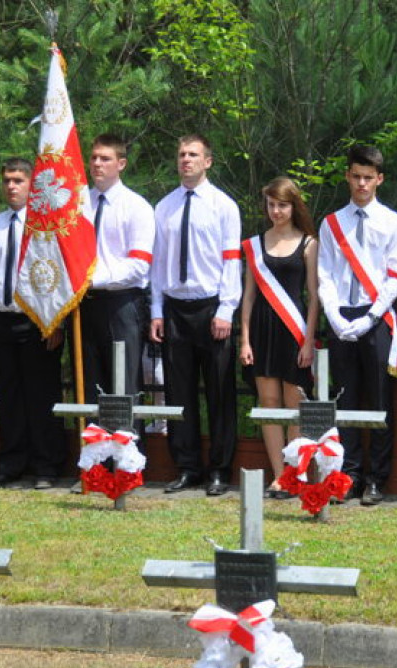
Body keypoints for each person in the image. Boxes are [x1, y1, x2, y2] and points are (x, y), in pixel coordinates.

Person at [317, 145, 397, 505]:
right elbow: (324, 273)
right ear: (347, 176)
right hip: (341, 315)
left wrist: (372, 317)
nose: (361, 183)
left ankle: (376, 478)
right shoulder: (331, 223)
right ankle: (350, 474)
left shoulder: (393, 222)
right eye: (356, 176)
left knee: (380, 399)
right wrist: (334, 316)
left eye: (368, 178)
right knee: (345, 397)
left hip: (377, 316)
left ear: (379, 179)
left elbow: (396, 277)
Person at [150, 134, 241, 496]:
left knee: (219, 392)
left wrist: (226, 309)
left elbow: (232, 261)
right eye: (181, 154)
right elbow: (157, 264)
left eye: (193, 155)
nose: (185, 160)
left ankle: (219, 469)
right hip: (175, 307)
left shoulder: (223, 206)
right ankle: (187, 467)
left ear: (208, 161)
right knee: (178, 393)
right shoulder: (164, 207)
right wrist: (157, 310)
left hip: (211, 307)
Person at [0, 158, 67, 489]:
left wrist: (56, 320)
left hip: (38, 320)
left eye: (18, 180)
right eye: (7, 180)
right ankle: (10, 463)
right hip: (0, 319)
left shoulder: (48, 228)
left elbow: (60, 276)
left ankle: (46, 466)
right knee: (7, 395)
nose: (11, 186)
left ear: (32, 185)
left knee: (41, 395)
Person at [240, 177, 319, 498]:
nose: (276, 210)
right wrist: (244, 340)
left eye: (282, 204)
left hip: (294, 330)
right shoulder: (254, 244)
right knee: (269, 405)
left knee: (294, 404)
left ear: (294, 205)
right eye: (271, 204)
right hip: (261, 331)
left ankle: (296, 473)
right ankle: (278, 475)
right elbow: (248, 296)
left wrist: (309, 340)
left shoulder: (309, 243)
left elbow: (314, 296)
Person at [81, 134, 155, 403]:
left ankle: (127, 444)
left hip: (121, 305)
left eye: (105, 158)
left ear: (121, 163)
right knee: (90, 385)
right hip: (85, 305)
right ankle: (92, 444)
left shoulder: (137, 207)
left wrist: (92, 279)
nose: (97, 164)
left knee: (123, 386)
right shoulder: (79, 206)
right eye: (94, 158)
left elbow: (138, 266)